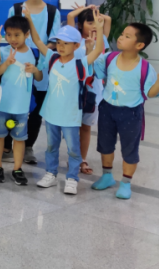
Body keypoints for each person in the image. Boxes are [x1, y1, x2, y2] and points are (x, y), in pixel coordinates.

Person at [91, 23, 159, 200]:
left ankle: (126, 183)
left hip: (131, 113)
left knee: (129, 148)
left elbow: (150, 93)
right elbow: (98, 73)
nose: (120, 37)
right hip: (107, 108)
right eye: (122, 34)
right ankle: (107, 176)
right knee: (105, 144)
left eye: (127, 36)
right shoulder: (110, 58)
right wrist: (91, 49)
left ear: (139, 45)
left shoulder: (145, 68)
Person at [30, 16, 106, 195]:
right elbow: (37, 41)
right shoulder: (52, 58)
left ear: (76, 46)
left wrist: (99, 29)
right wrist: (29, 19)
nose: (61, 46)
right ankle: (51, 173)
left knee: (73, 149)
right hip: (51, 113)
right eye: (58, 42)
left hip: (71, 115)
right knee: (51, 146)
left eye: (66, 43)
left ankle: (72, 178)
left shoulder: (81, 63)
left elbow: (98, 50)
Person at [6, 0, 61, 166]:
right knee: (11, 106)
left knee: (36, 110)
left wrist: (39, 56)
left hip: (41, 68)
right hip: (16, 67)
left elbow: (55, 41)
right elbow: (10, 35)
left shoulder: (53, 12)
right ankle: (6, 146)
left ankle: (28, 147)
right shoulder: (15, 9)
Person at [0, 16, 42, 186]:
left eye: (17, 35)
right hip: (2, 104)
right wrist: (5, 62)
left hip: (22, 107)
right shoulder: (4, 51)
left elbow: (39, 78)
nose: (12, 39)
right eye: (9, 35)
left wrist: (35, 70)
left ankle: (17, 168)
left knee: (20, 139)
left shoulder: (34, 53)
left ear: (27, 34)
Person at [67, 4, 113, 174]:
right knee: (72, 126)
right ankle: (73, 157)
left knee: (86, 126)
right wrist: (86, 8)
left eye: (96, 22)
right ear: (80, 25)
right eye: (89, 22)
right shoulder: (74, 40)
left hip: (93, 90)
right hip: (74, 89)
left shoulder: (102, 40)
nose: (94, 26)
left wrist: (97, 14)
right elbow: (70, 16)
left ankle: (82, 159)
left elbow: (108, 20)